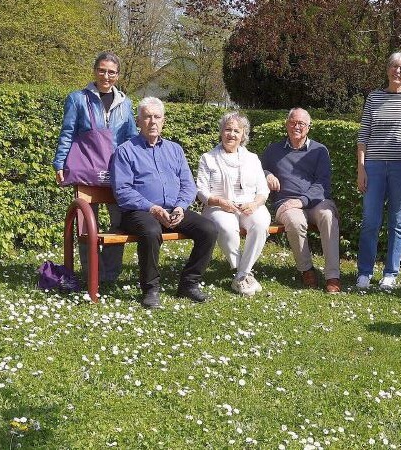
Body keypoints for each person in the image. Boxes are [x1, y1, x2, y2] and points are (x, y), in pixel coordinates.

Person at [110, 97, 216, 308]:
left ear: (163, 121)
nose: (153, 122)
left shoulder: (175, 150)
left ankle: (189, 284)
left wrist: (180, 207)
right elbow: (122, 191)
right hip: (138, 212)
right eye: (147, 117)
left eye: (157, 117)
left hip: (173, 210)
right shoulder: (125, 151)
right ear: (138, 121)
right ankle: (151, 289)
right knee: (151, 231)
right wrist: (152, 208)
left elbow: (188, 185)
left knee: (209, 229)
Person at [53, 51, 137, 282]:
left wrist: (135, 168)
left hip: (116, 172)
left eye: (111, 72)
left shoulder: (126, 104)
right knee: (86, 226)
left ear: (118, 75)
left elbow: (131, 137)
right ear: (94, 71)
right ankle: (92, 274)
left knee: (119, 223)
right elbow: (67, 133)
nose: (106, 76)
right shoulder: (77, 99)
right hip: (86, 170)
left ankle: (109, 274)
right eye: (102, 70)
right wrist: (59, 162)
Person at [355, 51, 401, 291]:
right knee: (370, 221)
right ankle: (364, 272)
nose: (398, 71)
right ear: (387, 69)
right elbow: (364, 134)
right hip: (373, 166)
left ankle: (391, 273)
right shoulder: (374, 97)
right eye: (394, 66)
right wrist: (361, 168)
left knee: (398, 221)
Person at [261, 108, 342, 293]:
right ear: (286, 124)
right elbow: (257, 170)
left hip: (316, 201)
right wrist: (266, 174)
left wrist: (302, 201)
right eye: (293, 122)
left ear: (308, 127)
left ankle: (333, 275)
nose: (296, 126)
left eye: (301, 123)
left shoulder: (319, 151)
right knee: (295, 221)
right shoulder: (273, 150)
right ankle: (306, 270)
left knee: (328, 216)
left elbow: (323, 184)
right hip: (286, 203)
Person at [196, 112, 271, 297]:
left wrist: (255, 204)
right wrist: (220, 202)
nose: (232, 134)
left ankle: (242, 274)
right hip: (218, 207)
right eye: (228, 129)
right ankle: (242, 273)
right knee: (227, 227)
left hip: (249, 205)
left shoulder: (252, 158)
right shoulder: (208, 158)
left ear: (243, 134)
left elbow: (263, 190)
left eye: (237, 131)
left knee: (261, 222)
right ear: (221, 132)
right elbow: (201, 191)